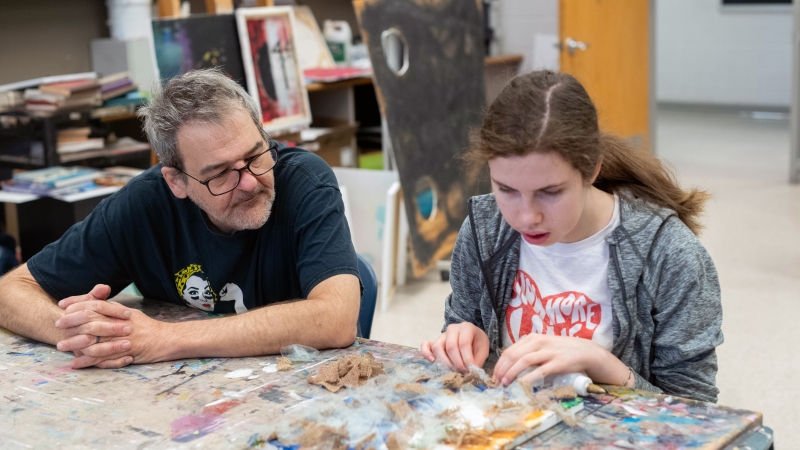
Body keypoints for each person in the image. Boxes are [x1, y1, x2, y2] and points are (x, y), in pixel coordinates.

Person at [0, 69, 361, 370]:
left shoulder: (305, 181)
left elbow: (336, 318)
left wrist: (166, 338)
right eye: (220, 174)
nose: (249, 182)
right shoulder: (143, 205)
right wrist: (78, 334)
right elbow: (10, 292)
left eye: (255, 155)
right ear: (177, 181)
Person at [421, 70, 723, 403]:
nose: (526, 216)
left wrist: (600, 362)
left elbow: (696, 413)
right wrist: (461, 339)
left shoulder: (669, 253)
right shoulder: (485, 230)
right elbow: (464, 340)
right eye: (506, 189)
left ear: (592, 168)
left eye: (550, 192)